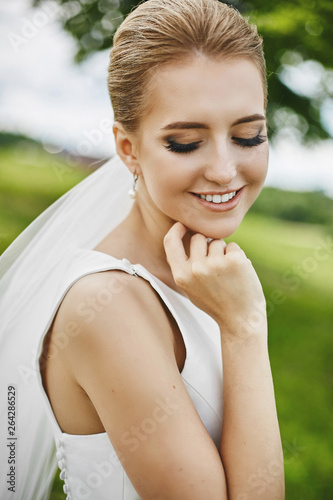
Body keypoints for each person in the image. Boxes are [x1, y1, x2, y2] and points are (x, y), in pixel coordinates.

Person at [0, 0, 285, 498]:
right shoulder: (102, 305)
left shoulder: (206, 276)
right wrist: (244, 329)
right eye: (185, 143)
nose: (224, 168)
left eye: (248, 135)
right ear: (128, 148)